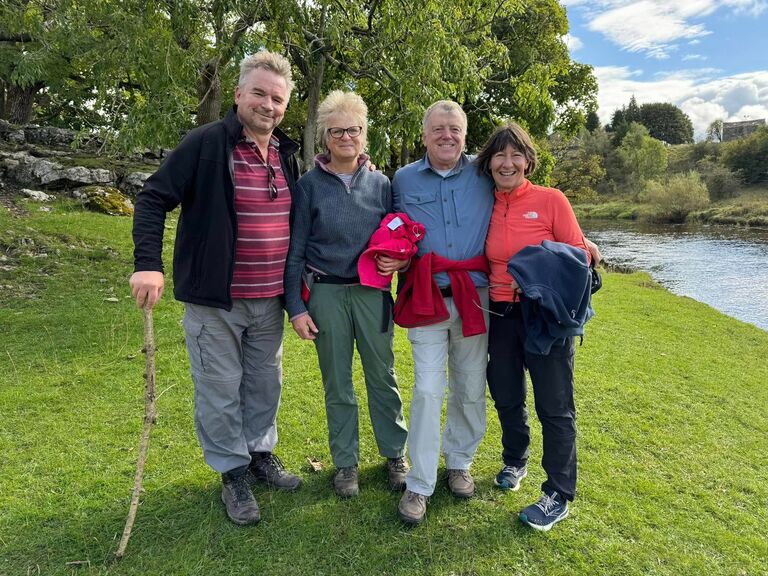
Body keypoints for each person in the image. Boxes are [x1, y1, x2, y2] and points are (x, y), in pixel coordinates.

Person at [129, 51, 302, 526]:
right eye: (261, 94)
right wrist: (148, 265)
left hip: (269, 301)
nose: (269, 105)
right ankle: (233, 474)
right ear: (239, 94)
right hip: (215, 301)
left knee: (265, 384)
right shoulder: (205, 144)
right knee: (220, 390)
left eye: (278, 98)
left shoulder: (287, 153)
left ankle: (259, 455)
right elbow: (152, 198)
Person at [284, 90, 410, 498]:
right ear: (325, 137)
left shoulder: (381, 184)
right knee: (337, 383)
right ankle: (346, 463)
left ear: (364, 134)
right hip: (326, 295)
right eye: (336, 131)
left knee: (383, 377)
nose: (345, 137)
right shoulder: (308, 187)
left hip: (372, 294)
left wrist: (401, 263)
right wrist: (296, 307)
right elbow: (296, 250)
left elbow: (397, 238)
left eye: (353, 130)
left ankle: (395, 455)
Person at [477, 121, 590, 531]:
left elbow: (579, 257)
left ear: (528, 161)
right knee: (506, 394)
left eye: (515, 155)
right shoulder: (483, 202)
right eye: (499, 156)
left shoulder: (550, 200)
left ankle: (558, 493)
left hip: (544, 318)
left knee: (554, 407)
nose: (507, 163)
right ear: (488, 163)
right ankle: (515, 459)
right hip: (500, 314)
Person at [387, 101, 495, 524]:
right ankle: (419, 484)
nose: (446, 135)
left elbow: (528, 198)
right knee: (429, 389)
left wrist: (579, 239)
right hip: (426, 296)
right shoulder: (403, 178)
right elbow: (391, 228)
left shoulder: (484, 174)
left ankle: (460, 462)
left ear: (465, 135)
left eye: (454, 129)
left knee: (469, 387)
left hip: (475, 297)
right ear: (424, 134)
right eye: (438, 129)